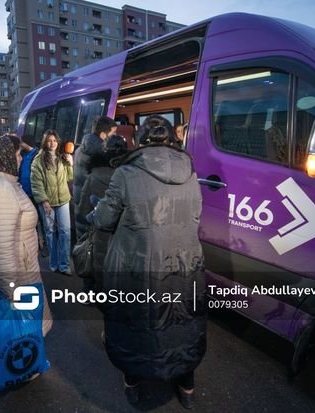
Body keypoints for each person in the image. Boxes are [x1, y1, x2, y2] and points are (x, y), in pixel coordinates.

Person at [93, 115, 206, 408]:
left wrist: (96, 211)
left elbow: (104, 221)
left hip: (139, 266)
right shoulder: (191, 172)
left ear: (140, 142)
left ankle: (133, 383)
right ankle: (187, 388)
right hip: (183, 264)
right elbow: (195, 216)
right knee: (182, 323)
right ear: (172, 140)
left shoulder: (126, 174)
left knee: (136, 325)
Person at [0, 134, 53, 371]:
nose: (20, 160)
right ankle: (21, 370)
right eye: (17, 155)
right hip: (14, 269)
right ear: (6, 156)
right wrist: (16, 292)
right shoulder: (2, 191)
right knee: (16, 326)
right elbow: (4, 247)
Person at [76, 134, 128, 295]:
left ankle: (91, 293)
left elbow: (82, 210)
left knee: (95, 266)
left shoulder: (93, 175)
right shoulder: (129, 176)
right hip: (122, 236)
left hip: (98, 233)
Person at [30, 129, 74, 275]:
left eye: (54, 140)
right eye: (49, 140)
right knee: (50, 232)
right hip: (47, 202)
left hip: (63, 200)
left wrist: (70, 164)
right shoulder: (38, 160)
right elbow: (36, 183)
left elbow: (69, 177)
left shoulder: (62, 157)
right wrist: (44, 201)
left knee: (65, 232)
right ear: (44, 142)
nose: (52, 143)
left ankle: (64, 264)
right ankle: (54, 263)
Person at [72, 116, 117, 239]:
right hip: (93, 212)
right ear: (103, 135)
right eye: (113, 133)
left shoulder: (79, 150)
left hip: (80, 208)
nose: (115, 136)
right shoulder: (102, 155)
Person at [18, 139, 47, 257]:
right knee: (31, 221)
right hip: (24, 194)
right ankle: (36, 245)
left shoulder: (36, 154)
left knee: (42, 219)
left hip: (35, 193)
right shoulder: (22, 155)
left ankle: (45, 245)